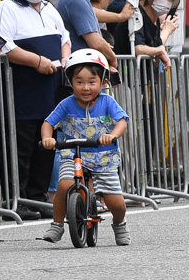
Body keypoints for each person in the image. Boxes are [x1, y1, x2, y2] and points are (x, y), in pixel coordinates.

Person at [0, 0, 69, 219]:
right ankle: (16, 200)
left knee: (45, 149)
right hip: (19, 95)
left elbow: (64, 39)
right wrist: (37, 61)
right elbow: (2, 45)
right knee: (18, 150)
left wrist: (65, 56)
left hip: (50, 95)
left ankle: (37, 199)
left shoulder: (50, 9)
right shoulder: (4, 9)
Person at [40, 50, 130, 246]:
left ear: (103, 81)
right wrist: (47, 138)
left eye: (92, 81)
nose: (85, 87)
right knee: (64, 185)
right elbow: (48, 123)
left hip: (103, 158)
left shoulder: (107, 102)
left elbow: (122, 121)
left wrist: (112, 135)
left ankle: (120, 223)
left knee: (116, 203)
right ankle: (57, 224)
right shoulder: (66, 104)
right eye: (79, 81)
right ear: (70, 82)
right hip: (73, 155)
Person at [132, 0, 182, 71]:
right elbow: (138, 49)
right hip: (129, 75)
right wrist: (160, 50)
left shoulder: (156, 20)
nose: (166, 1)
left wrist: (160, 49)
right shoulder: (137, 16)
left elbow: (156, 46)